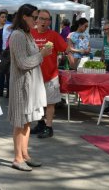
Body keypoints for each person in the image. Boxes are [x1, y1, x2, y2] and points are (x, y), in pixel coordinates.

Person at [7, 4, 52, 172]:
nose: (37, 21)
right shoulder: (18, 35)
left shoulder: (27, 34)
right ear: (24, 17)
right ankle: (17, 158)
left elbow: (29, 58)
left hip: (30, 85)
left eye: (39, 17)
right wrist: (42, 55)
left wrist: (40, 53)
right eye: (35, 17)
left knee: (26, 123)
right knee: (20, 123)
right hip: (21, 86)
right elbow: (23, 63)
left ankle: (25, 155)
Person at [30, 9, 68, 138]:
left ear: (50, 21)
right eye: (41, 18)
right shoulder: (30, 34)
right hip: (35, 75)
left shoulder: (54, 35)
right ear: (36, 19)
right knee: (36, 102)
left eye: (46, 19)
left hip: (51, 75)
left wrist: (75, 48)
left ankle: (49, 127)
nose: (44, 22)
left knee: (50, 103)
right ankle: (40, 123)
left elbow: (65, 48)